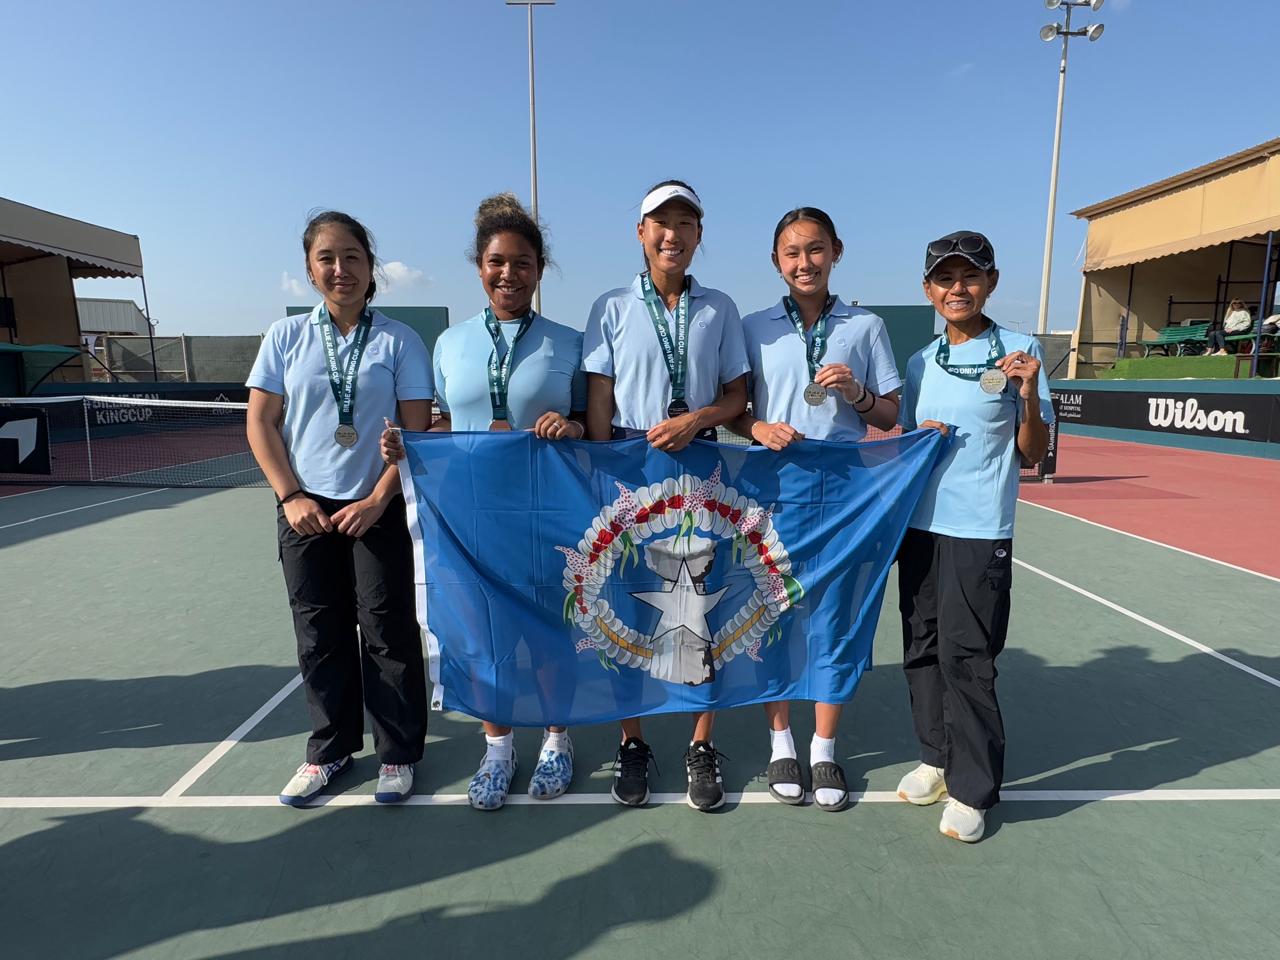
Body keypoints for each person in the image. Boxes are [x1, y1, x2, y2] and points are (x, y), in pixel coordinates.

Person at [381, 194, 586, 811]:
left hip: (545, 513)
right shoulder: (448, 345)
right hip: (468, 520)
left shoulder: (570, 343)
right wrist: (409, 447)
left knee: (551, 636)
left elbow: (592, 431)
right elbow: (445, 425)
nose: (509, 274)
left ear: (539, 269)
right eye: (497, 261)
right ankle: (497, 748)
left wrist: (570, 429)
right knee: (479, 638)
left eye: (522, 263)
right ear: (479, 266)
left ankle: (557, 739)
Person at [246, 211, 432, 807]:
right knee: (319, 634)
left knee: (386, 630)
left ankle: (397, 753)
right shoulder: (285, 338)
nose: (340, 269)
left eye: (352, 256)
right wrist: (291, 495)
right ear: (309, 269)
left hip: (377, 506)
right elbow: (261, 422)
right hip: (305, 510)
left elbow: (416, 433)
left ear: (371, 267)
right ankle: (329, 751)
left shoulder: (399, 340)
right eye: (327, 258)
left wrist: (380, 498)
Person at [727, 207, 902, 812]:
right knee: (773, 613)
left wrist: (857, 393)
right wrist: (758, 425)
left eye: (816, 249)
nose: (805, 262)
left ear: (837, 252)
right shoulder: (753, 327)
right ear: (776, 261)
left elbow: (890, 417)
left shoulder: (867, 326)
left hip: (845, 494)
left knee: (836, 616)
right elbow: (734, 408)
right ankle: (781, 741)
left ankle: (824, 748)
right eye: (792, 252)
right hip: (774, 489)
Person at [583, 179, 749, 812]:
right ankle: (633, 743)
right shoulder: (611, 306)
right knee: (629, 611)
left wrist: (696, 420)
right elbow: (600, 397)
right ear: (641, 233)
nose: (672, 234)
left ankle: (700, 745)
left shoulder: (720, 307)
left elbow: (737, 398)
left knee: (697, 611)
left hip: (700, 472)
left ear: (699, 235)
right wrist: (603, 470)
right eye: (660, 222)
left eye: (685, 223)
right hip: (628, 470)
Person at [895, 230, 1053, 843]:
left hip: (979, 528)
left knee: (969, 657)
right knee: (922, 648)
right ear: (928, 289)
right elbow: (909, 441)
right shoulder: (920, 362)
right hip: (920, 527)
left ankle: (973, 788)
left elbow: (1033, 454)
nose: (956, 288)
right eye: (944, 278)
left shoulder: (1019, 352)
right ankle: (935, 759)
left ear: (990, 282)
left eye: (969, 276)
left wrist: (1030, 397)